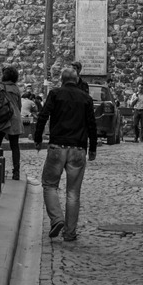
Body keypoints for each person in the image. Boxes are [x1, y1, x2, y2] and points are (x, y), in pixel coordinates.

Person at [33, 65, 97, 243]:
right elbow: (92, 124)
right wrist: (92, 148)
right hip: (78, 149)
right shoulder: (86, 98)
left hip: (57, 147)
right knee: (73, 193)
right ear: (76, 81)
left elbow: (43, 115)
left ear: (62, 80)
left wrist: (38, 138)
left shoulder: (55, 94)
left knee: (49, 185)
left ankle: (56, 219)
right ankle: (70, 233)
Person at [0, 65, 23, 180]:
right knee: (15, 146)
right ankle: (16, 172)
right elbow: (19, 105)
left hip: (3, 119)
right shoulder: (16, 88)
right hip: (15, 119)